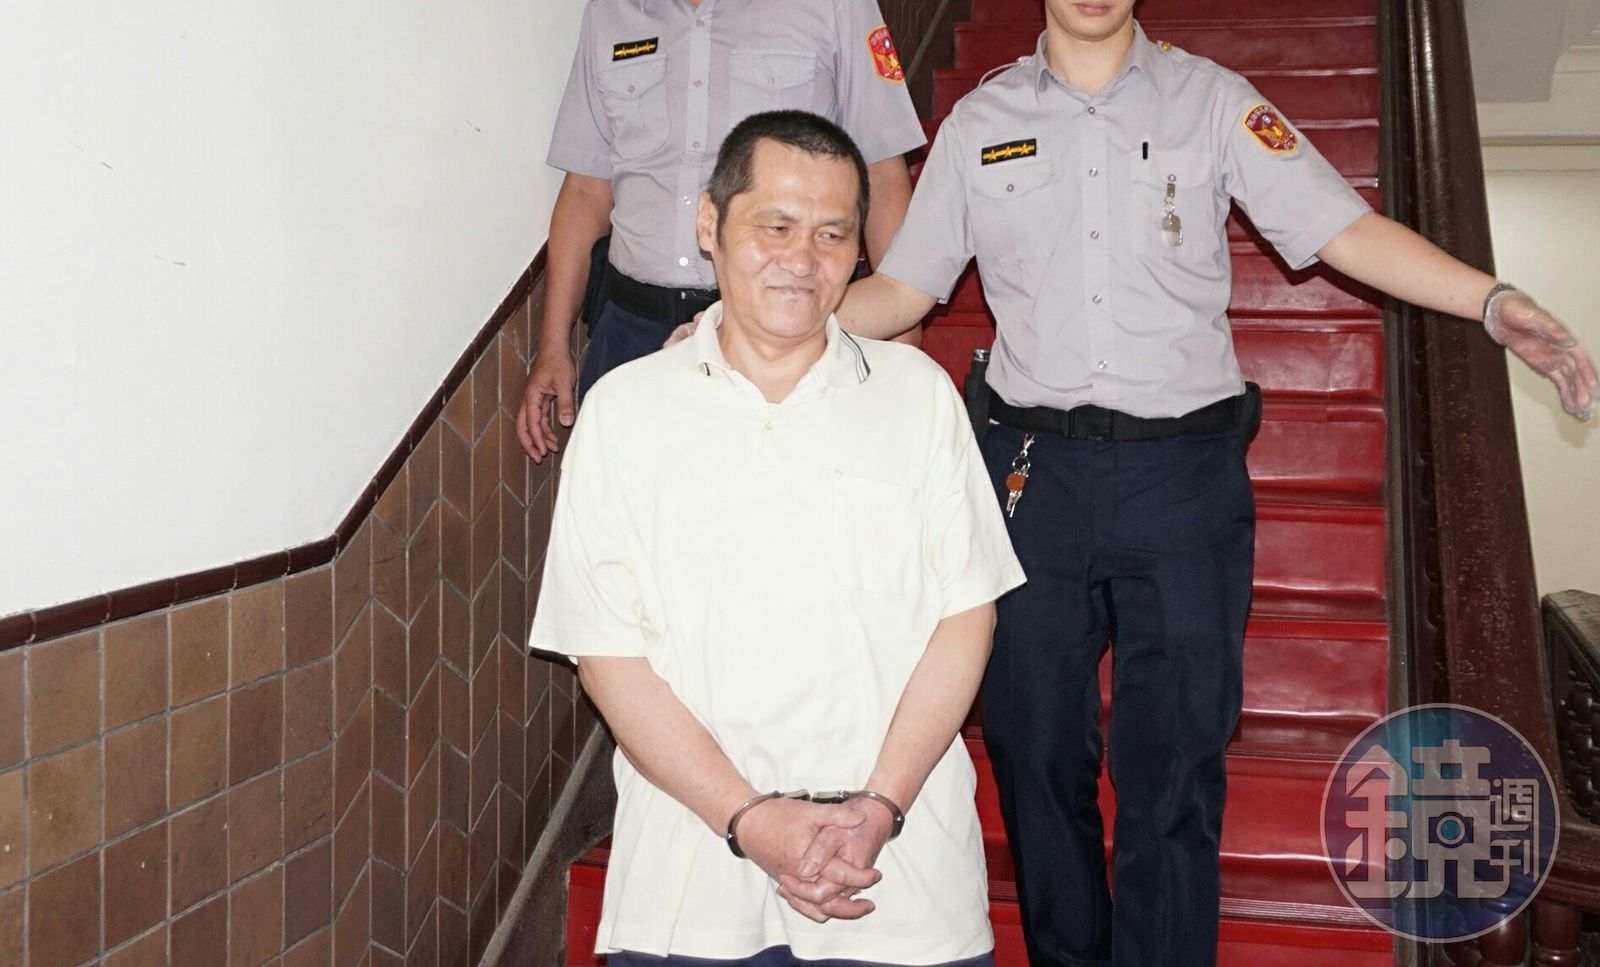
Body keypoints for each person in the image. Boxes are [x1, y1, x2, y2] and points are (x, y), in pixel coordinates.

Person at [826, 1, 1599, 965]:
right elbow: (905, 289)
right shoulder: (981, 123)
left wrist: (1490, 302)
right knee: (1032, 750)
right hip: (1032, 480)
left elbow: (1345, 231)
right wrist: (760, 322)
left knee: (1175, 765)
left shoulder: (1214, 102)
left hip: (1183, 483)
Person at [529, 110, 1026, 966]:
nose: (803, 258)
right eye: (776, 226)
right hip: (690, 890)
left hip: (900, 884)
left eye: (833, 234)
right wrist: (749, 817)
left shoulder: (918, 396)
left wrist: (879, 806)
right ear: (709, 224)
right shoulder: (627, 411)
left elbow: (966, 615)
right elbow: (606, 653)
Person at [516, 0, 927, 464]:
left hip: (780, 338)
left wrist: (902, 353)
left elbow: (883, 173)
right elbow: (587, 190)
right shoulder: (610, 12)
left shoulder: (836, 7)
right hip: (632, 335)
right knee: (622, 501)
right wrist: (552, 344)